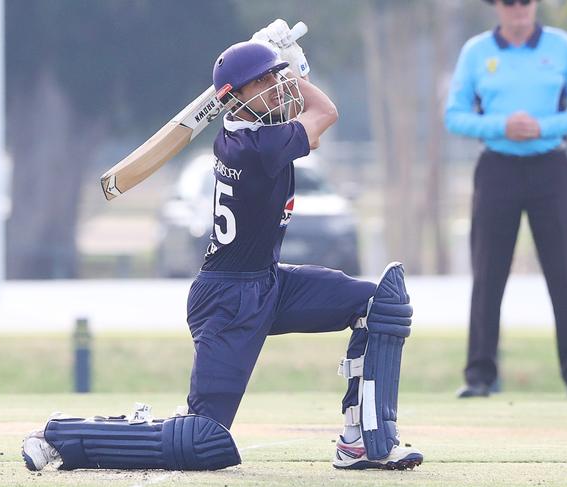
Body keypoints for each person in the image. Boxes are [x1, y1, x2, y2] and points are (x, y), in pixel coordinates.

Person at [21, 19, 423, 472]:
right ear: (233, 98)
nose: (276, 88)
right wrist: (293, 67)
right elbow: (325, 112)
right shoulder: (258, 145)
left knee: (380, 305)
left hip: (269, 284)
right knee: (203, 439)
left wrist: (281, 63)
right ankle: (62, 436)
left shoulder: (249, 128)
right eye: (264, 82)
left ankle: (362, 442)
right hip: (227, 299)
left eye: (276, 77)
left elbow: (301, 108)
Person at [445, 0, 567, 398]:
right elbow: (455, 114)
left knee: (564, 272)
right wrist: (502, 126)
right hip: (497, 167)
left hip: (551, 167)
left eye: (526, 1)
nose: (519, 9)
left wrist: (542, 126)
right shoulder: (477, 52)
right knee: (488, 272)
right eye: (510, 2)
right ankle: (480, 375)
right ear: (497, 7)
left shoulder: (561, 47)